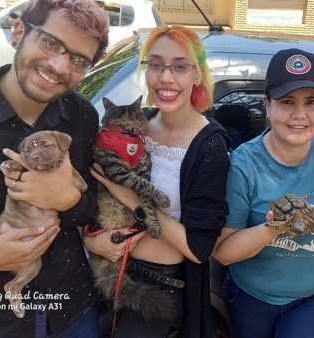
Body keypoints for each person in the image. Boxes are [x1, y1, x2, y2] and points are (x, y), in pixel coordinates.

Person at [0, 0, 109, 336]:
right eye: (50, 42)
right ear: (19, 32)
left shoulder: (82, 116)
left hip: (74, 312)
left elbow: (94, 210)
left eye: (78, 60)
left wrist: (70, 200)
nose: (59, 65)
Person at [83, 24, 230, 338]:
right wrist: (90, 240)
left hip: (159, 287)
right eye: (156, 64)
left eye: (180, 66)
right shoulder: (136, 124)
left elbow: (199, 248)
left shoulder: (210, 145)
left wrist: (132, 198)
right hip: (105, 272)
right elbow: (90, 190)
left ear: (197, 75)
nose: (166, 77)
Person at [212, 48, 314, 338]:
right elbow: (223, 253)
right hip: (252, 297)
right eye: (287, 101)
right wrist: (274, 227)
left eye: (311, 102)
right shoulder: (243, 164)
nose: (299, 115)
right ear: (267, 105)